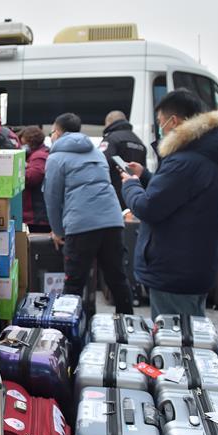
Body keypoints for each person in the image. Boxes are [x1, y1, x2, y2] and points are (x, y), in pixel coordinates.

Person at [121, 89, 218, 318]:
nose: (160, 128)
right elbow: (180, 194)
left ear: (173, 121)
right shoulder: (210, 152)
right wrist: (146, 176)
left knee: (174, 344)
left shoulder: (184, 161)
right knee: (191, 337)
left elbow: (149, 207)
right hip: (195, 263)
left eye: (160, 122)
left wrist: (131, 185)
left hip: (174, 268)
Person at [43, 112, 133, 314]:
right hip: (112, 221)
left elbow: (52, 197)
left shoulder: (56, 158)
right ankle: (128, 329)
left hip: (81, 224)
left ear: (57, 132)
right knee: (117, 279)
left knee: (74, 283)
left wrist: (58, 231)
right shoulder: (97, 152)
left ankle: (67, 335)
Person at [100, 110, 147, 207]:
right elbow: (143, 172)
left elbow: (101, 163)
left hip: (114, 197)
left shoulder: (111, 139)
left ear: (108, 123)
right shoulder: (139, 142)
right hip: (134, 194)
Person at [18, 126, 50, 233]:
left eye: (23, 143)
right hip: (35, 215)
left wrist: (19, 168)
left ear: (30, 142)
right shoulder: (38, 154)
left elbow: (31, 178)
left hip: (36, 216)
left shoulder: (39, 156)